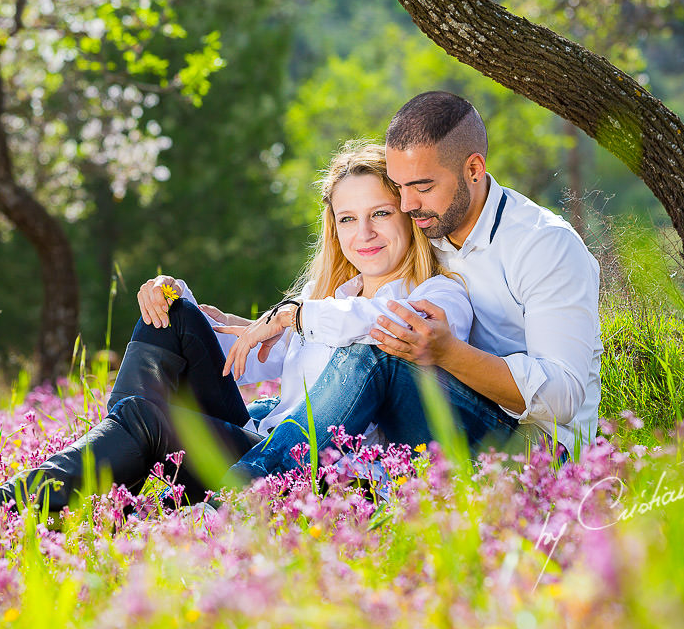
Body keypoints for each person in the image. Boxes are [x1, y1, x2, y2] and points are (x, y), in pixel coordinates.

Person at [0, 141, 471, 528]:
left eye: (379, 213)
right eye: (348, 219)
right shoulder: (331, 296)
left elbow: (391, 332)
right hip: (257, 446)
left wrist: (297, 315)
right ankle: (90, 499)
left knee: (140, 419)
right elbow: (247, 360)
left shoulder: (439, 295)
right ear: (333, 228)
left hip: (312, 476)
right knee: (171, 313)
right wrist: (179, 299)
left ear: (406, 215)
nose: (364, 233)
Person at [228, 92, 601, 477]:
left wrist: (448, 353)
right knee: (273, 409)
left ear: (474, 169)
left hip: (535, 451)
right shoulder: (432, 227)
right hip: (444, 410)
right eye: (399, 187)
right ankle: (192, 483)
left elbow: (563, 397)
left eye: (421, 186)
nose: (406, 205)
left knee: (381, 349)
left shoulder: (544, 244)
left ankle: (241, 497)